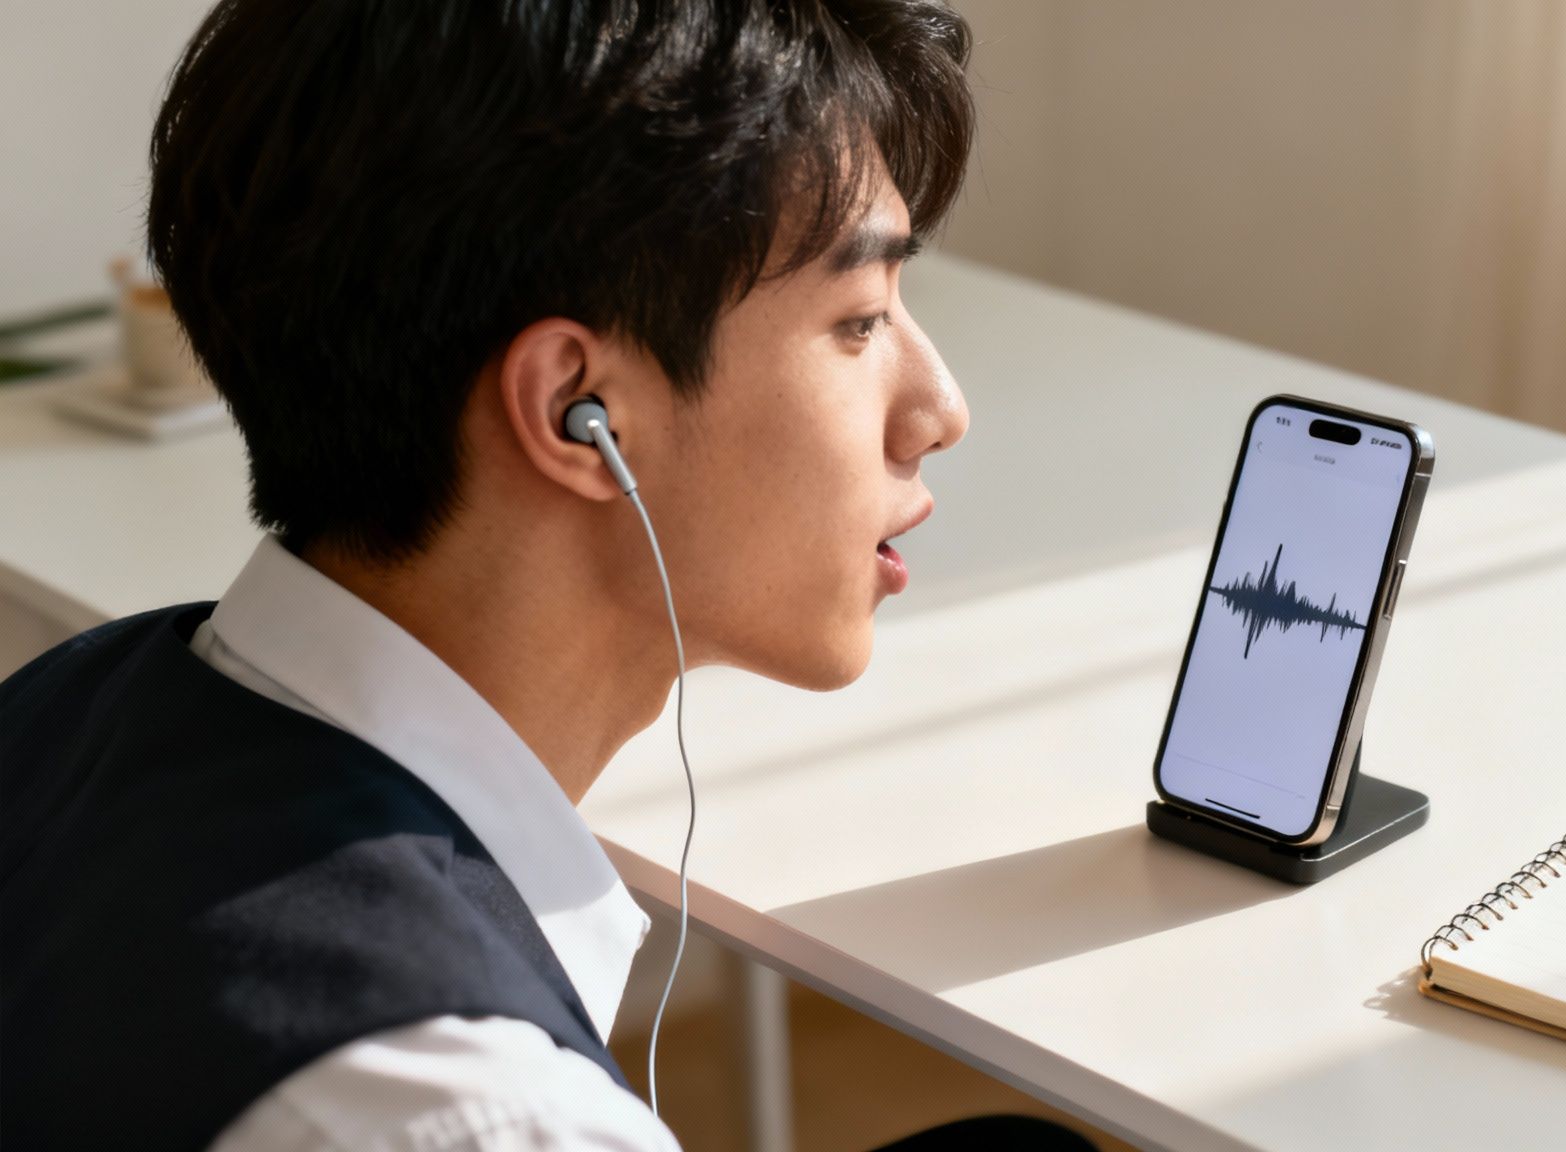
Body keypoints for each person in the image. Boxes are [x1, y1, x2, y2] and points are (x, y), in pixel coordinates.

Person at [0, 1, 1092, 1149]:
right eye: (859, 320)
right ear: (580, 415)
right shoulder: (473, 1113)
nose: (940, 411)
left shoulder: (59, 709)